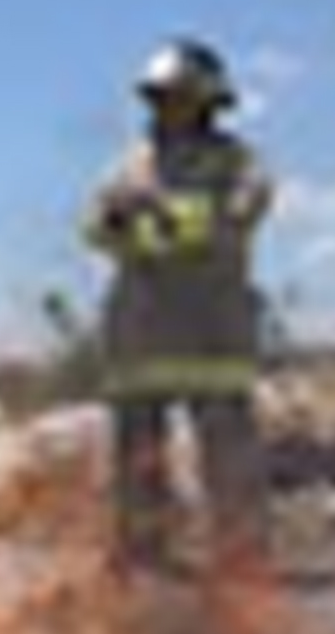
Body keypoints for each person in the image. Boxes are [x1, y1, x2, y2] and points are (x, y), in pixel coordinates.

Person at [84, 37, 273, 572]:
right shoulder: (130, 166)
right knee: (137, 455)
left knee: (229, 452)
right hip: (139, 334)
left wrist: (151, 224)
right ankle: (144, 555)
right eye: (160, 97)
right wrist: (126, 225)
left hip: (212, 333)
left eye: (180, 96)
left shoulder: (238, 163)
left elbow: (236, 217)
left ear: (209, 101)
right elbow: (94, 227)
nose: (168, 108)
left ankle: (240, 560)